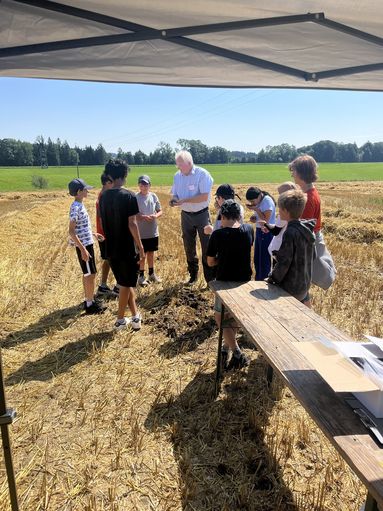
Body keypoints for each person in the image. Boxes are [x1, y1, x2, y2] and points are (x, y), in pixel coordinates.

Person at [207, 199, 254, 371]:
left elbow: (211, 262)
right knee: (234, 317)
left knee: (220, 318)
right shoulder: (249, 229)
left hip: (224, 283)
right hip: (244, 282)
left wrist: (223, 258)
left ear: (222, 216)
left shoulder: (217, 235)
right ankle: (226, 347)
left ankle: (237, 352)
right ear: (239, 216)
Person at [99, 159, 145, 330]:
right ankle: (119, 321)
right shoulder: (129, 196)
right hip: (126, 248)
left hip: (110, 248)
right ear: (125, 175)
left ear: (110, 175)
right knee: (125, 285)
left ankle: (135, 318)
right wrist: (140, 247)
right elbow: (132, 224)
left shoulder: (103, 197)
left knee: (125, 282)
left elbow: (103, 222)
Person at [170, 150, 214, 285]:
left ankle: (210, 280)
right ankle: (193, 276)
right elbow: (175, 194)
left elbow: (204, 196)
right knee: (188, 246)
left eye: (180, 165)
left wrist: (184, 200)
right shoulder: (177, 176)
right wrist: (174, 200)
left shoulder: (202, 174)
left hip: (202, 214)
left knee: (207, 246)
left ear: (189, 163)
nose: (178, 168)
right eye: (177, 165)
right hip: (186, 216)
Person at [266, 189, 316, 305]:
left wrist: (272, 278)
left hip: (290, 287)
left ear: (286, 211)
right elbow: (313, 256)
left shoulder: (290, 232)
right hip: (304, 284)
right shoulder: (307, 229)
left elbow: (284, 262)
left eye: (280, 209)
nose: (279, 213)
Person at [68, 178, 106, 314]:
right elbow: (71, 231)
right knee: (90, 274)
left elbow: (81, 227)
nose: (87, 191)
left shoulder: (80, 205)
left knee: (89, 273)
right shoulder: (75, 207)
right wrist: (83, 249)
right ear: (78, 192)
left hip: (87, 242)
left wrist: (93, 234)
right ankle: (90, 305)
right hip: (84, 246)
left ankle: (89, 299)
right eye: (85, 189)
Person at [136, 174, 163, 286]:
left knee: (151, 254)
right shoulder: (135, 198)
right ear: (138, 185)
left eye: (146, 184)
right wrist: (143, 217)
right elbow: (133, 214)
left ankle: (151, 274)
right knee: (142, 255)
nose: (144, 186)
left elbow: (160, 210)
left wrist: (155, 216)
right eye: (142, 184)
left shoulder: (154, 196)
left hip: (152, 231)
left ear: (149, 185)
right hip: (141, 233)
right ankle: (141, 276)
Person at [261, 181, 298, 264]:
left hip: (280, 249)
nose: (280, 197)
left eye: (281, 194)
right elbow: (281, 226)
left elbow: (276, 231)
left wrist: (265, 224)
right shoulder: (298, 207)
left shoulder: (286, 210)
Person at [245, 187, 276, 281]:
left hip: (266, 232)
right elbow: (259, 217)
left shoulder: (267, 201)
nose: (252, 203)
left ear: (259, 196)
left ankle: (263, 280)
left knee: (264, 259)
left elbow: (265, 220)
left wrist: (256, 209)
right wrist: (254, 217)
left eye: (253, 201)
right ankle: (258, 279)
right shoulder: (259, 201)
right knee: (257, 258)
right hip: (260, 231)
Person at [95, 172, 118, 296]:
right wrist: (107, 234)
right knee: (111, 258)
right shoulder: (103, 197)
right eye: (112, 182)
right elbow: (101, 218)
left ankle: (103, 286)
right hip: (105, 234)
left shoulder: (104, 195)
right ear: (108, 183)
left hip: (104, 233)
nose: (114, 184)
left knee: (108, 259)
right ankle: (116, 286)